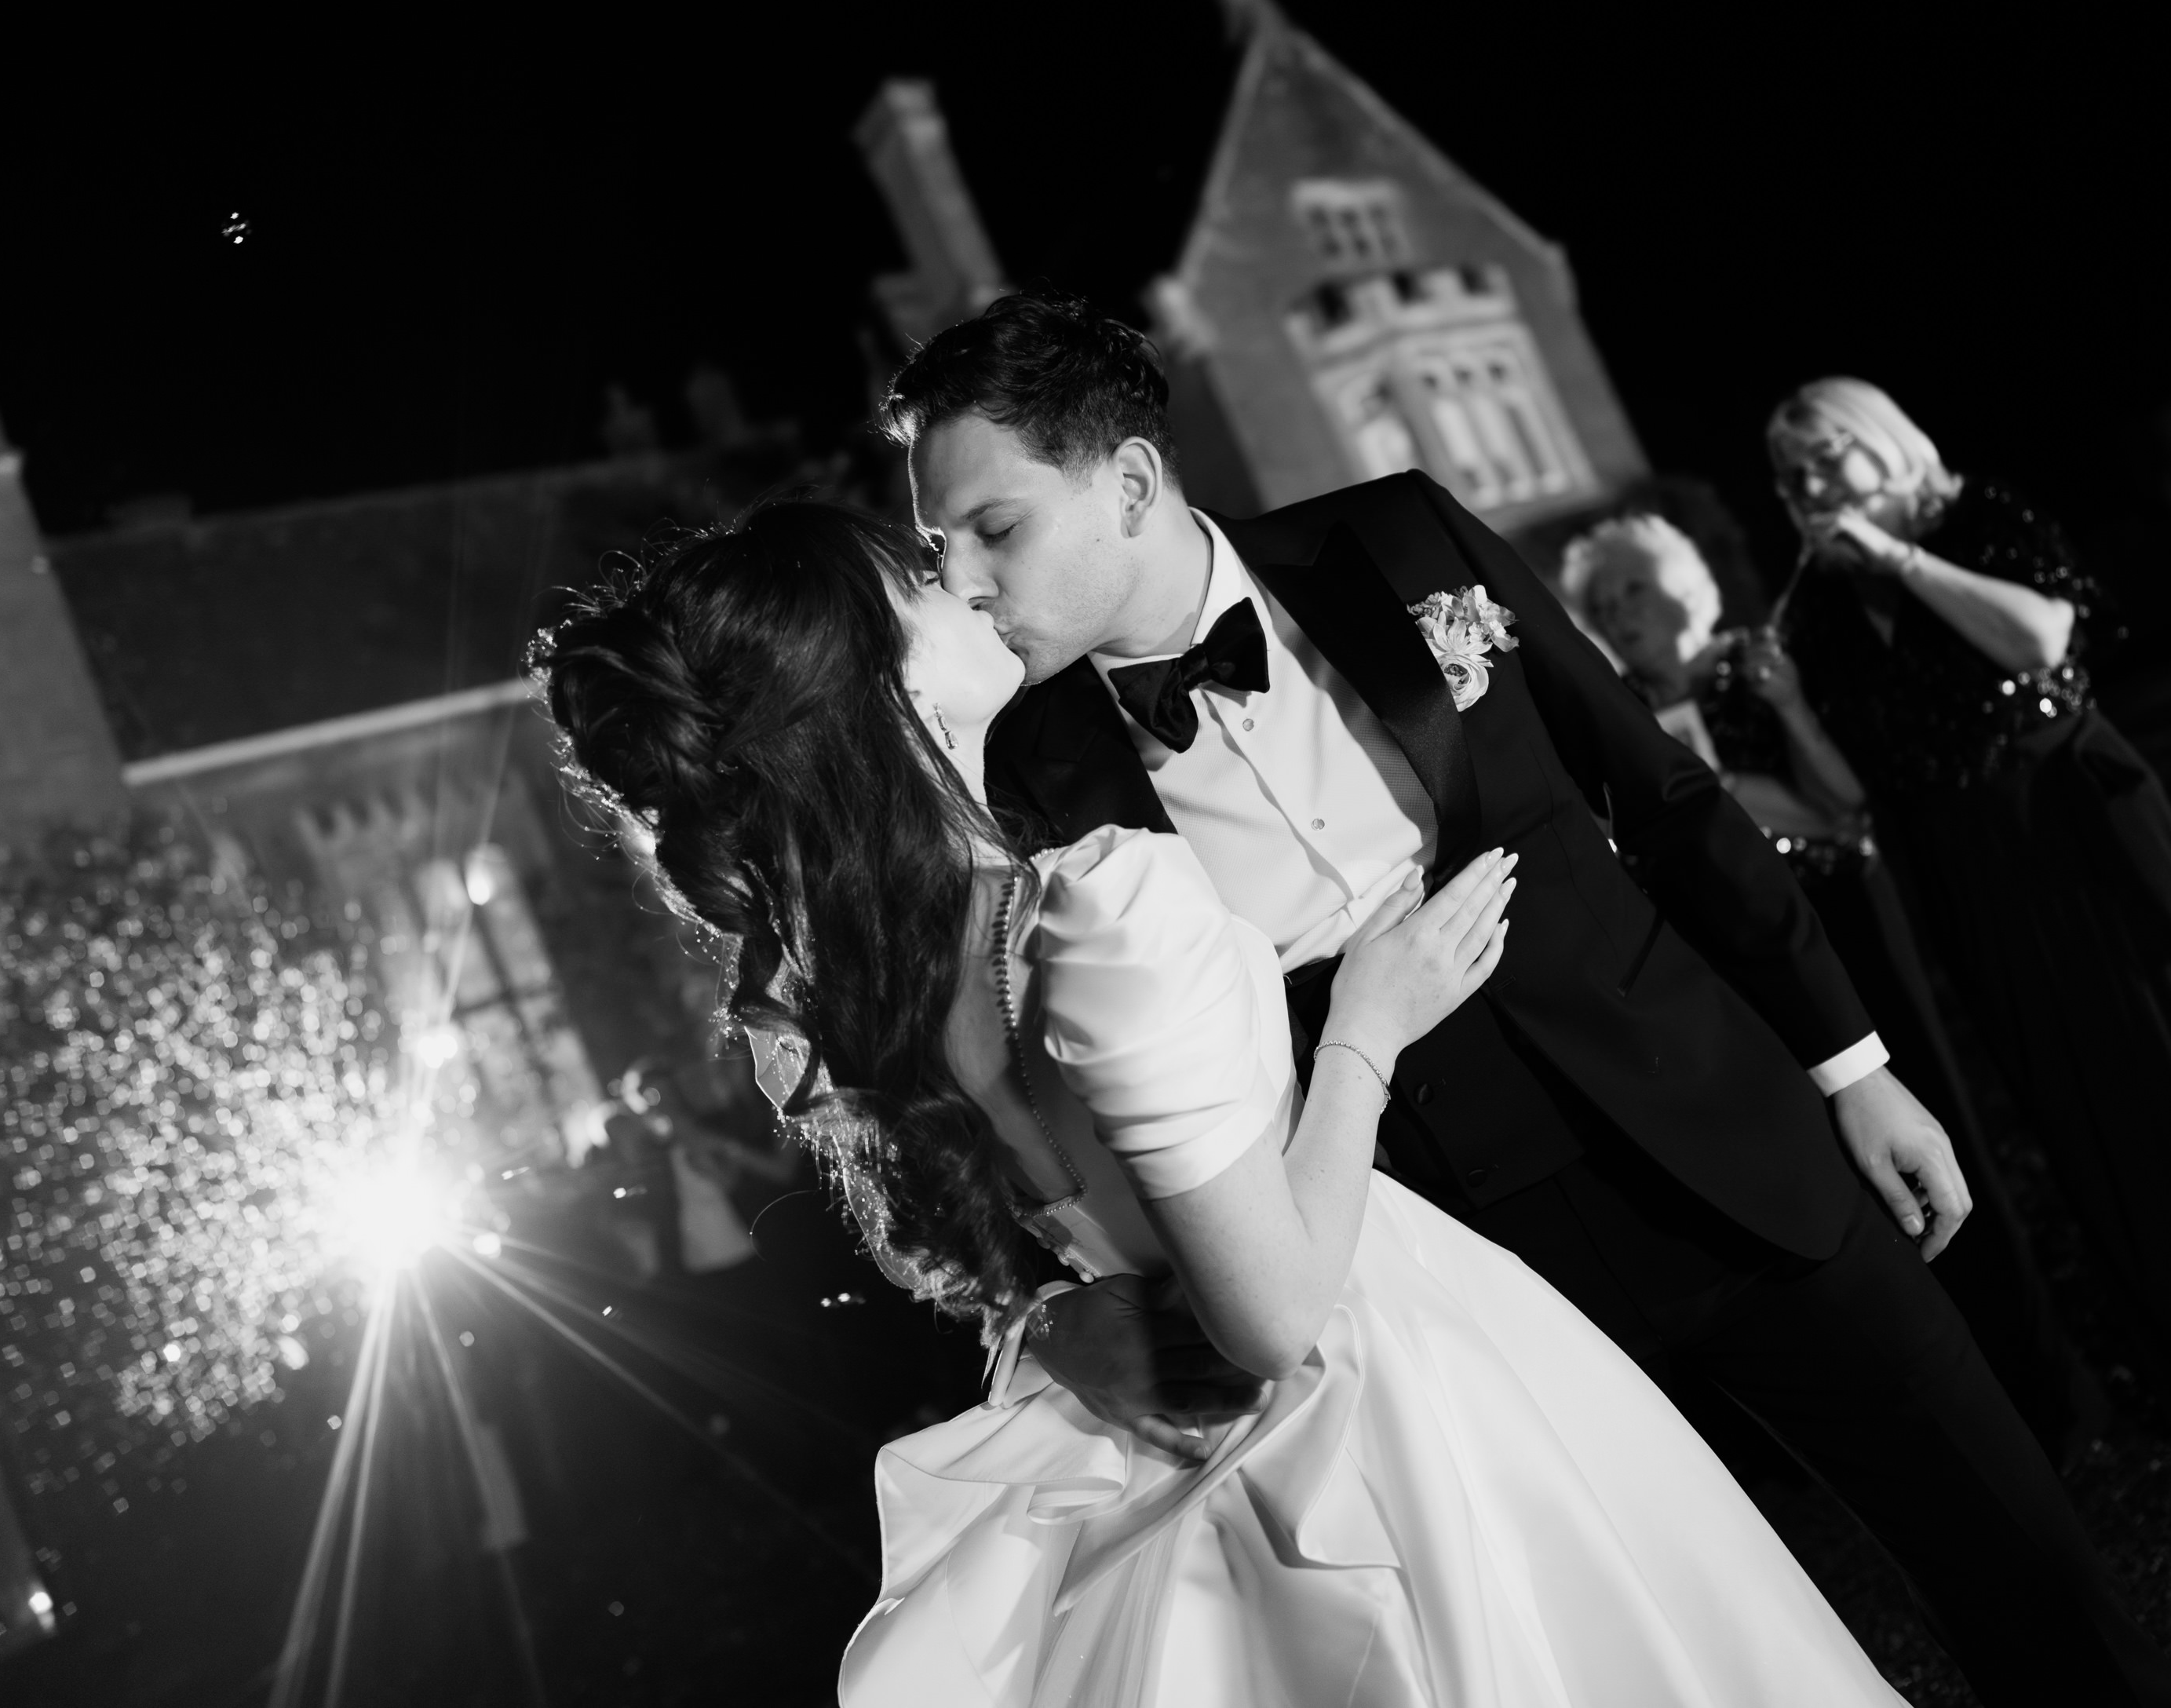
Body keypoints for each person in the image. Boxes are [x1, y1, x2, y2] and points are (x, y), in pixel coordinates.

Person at [903, 294, 2171, 1706]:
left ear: (1132, 480)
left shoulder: (1393, 537)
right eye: (937, 543)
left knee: (2018, 1559)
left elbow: (1666, 792)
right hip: (1461, 1273)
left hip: (1717, 1137)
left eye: (995, 527)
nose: (961, 575)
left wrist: (1852, 1062)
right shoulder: (1026, 775)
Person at [536, 500, 1912, 1704]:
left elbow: (1017, 1235)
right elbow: (1271, 1314)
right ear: (885, 680)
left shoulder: (877, 983)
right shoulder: (1101, 906)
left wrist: (1063, 1316)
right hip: (1362, 1395)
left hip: (1163, 1439)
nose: (959, 579)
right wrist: (1368, 1030)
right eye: (912, 573)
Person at [1764, 377, 2171, 1498]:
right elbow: (1855, 793)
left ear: (1884, 445)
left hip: (2082, 827)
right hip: (1971, 880)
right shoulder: (1811, 612)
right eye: (1794, 474)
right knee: (2095, 1127)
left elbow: (2043, 630)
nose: (1814, 488)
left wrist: (1899, 560)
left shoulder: (1975, 522)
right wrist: (1787, 707)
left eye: (1829, 459)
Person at [1560, 512, 2106, 1463]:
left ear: (1685, 584)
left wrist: (1779, 724)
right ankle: (1952, 1410)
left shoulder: (1756, 666)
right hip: (1742, 966)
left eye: (1633, 588)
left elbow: (1842, 802)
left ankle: (2050, 1394)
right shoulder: (1619, 713)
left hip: (1845, 921)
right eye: (1603, 603)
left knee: (1940, 1140)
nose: (1620, 613)